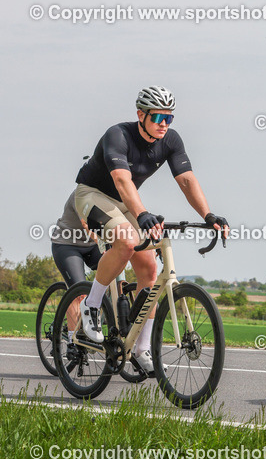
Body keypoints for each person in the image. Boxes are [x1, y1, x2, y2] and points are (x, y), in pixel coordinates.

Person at [72, 86, 228, 374]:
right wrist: (142, 213)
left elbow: (187, 180)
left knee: (149, 272)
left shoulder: (170, 140)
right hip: (93, 194)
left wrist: (208, 215)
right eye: (158, 117)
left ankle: (141, 349)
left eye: (169, 118)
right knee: (128, 242)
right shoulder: (117, 135)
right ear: (140, 114)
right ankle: (91, 305)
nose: (164, 124)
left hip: (126, 202)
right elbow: (121, 179)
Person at [50, 191, 102, 336]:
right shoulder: (82, 193)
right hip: (67, 245)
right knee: (79, 292)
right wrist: (106, 244)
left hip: (92, 246)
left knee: (116, 279)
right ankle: (73, 344)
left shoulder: (114, 196)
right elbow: (87, 226)